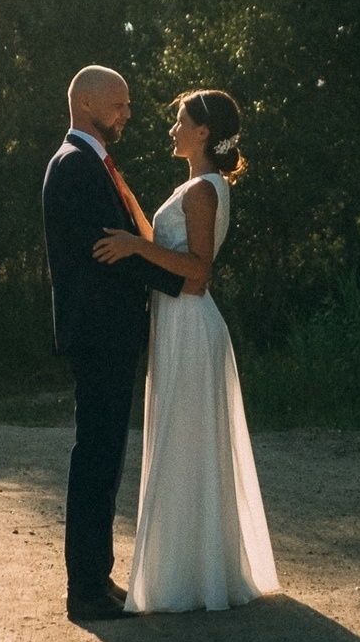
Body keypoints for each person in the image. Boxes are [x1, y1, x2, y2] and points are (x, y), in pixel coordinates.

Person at [91, 89, 279, 613]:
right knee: (184, 445)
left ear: (203, 132)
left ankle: (191, 579)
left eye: (180, 121)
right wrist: (133, 218)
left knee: (186, 444)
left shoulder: (202, 190)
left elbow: (197, 273)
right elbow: (172, 252)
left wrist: (134, 247)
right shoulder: (198, 186)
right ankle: (194, 573)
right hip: (178, 326)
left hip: (192, 325)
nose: (172, 129)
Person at [42, 66, 184, 622]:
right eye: (120, 104)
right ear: (89, 103)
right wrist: (186, 280)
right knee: (97, 456)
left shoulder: (88, 162)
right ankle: (84, 589)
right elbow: (113, 251)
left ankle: (96, 577)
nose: (128, 113)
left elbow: (124, 250)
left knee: (105, 455)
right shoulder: (76, 166)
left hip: (106, 332)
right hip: (99, 333)